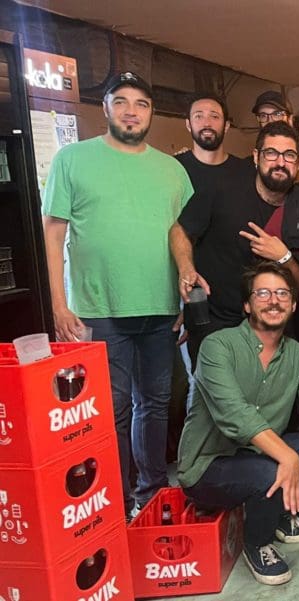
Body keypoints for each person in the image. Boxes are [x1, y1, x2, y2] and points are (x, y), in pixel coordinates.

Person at [42, 71, 194, 516]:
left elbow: (176, 230)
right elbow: (53, 233)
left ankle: (151, 494)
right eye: (121, 101)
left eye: (141, 104)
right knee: (112, 409)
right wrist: (58, 303)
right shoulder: (73, 159)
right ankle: (116, 500)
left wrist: (183, 286)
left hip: (159, 308)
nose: (131, 111)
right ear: (105, 107)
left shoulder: (172, 170)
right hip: (98, 309)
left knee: (155, 405)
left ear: (151, 112)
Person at [177, 263, 299, 586]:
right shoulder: (218, 346)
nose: (273, 301)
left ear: (294, 305)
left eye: (282, 294)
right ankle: (258, 543)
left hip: (261, 453)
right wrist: (286, 456)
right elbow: (235, 414)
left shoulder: (297, 355)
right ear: (247, 305)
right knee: (270, 471)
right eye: (263, 293)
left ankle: (278, 509)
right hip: (211, 464)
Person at [170, 121, 299, 364]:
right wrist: (186, 268)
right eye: (271, 153)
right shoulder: (222, 189)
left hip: (272, 330)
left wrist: (283, 256)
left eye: (289, 155)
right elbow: (180, 230)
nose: (280, 162)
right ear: (256, 157)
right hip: (217, 323)